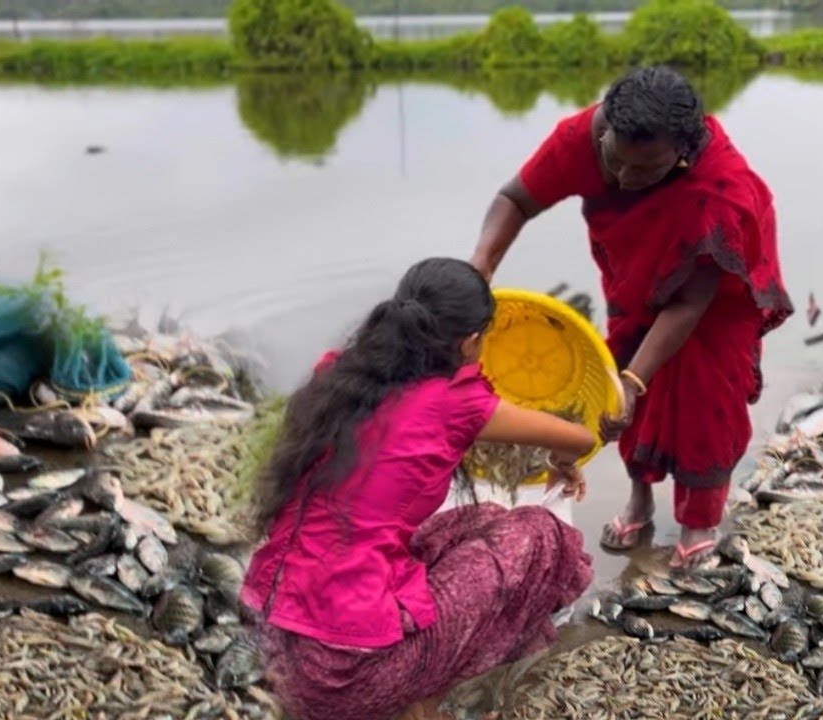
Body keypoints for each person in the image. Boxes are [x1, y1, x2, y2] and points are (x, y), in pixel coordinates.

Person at [239, 258, 596, 720]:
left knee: (478, 521)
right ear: (470, 342)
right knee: (539, 534)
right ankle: (415, 695)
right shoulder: (457, 401)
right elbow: (582, 436)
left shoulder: (337, 374)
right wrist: (562, 462)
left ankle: (406, 686)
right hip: (343, 675)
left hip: (267, 637)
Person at [470, 66, 792, 569]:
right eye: (614, 160)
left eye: (643, 171)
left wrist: (636, 379)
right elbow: (515, 199)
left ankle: (699, 521)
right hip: (637, 276)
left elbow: (688, 302)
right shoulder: (584, 137)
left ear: (683, 158)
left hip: (715, 293)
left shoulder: (719, 192)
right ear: (604, 130)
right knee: (613, 383)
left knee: (706, 399)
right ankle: (639, 500)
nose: (622, 179)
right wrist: (478, 273)